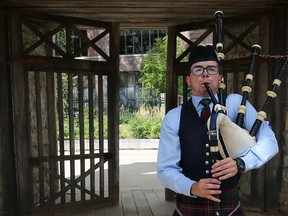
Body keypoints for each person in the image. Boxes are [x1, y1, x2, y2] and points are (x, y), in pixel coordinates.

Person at [157, 45, 279, 216]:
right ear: (188, 80)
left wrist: (241, 163)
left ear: (220, 78)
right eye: (198, 69)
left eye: (211, 69)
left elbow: (269, 141)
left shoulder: (237, 104)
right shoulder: (174, 117)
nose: (205, 74)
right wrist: (192, 187)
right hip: (188, 209)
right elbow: (165, 170)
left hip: (229, 208)